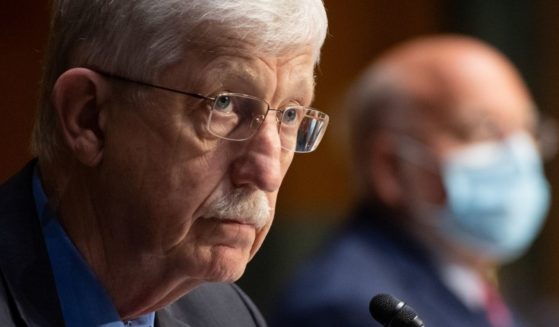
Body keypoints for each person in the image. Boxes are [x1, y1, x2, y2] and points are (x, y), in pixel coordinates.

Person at [0, 0, 329, 326]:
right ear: (89, 118)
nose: (267, 174)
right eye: (225, 104)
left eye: (289, 114)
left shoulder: (231, 318)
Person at [270, 35, 552, 327]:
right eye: (483, 131)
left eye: (527, 130)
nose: (519, 154)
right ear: (390, 167)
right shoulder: (349, 309)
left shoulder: (477, 280)